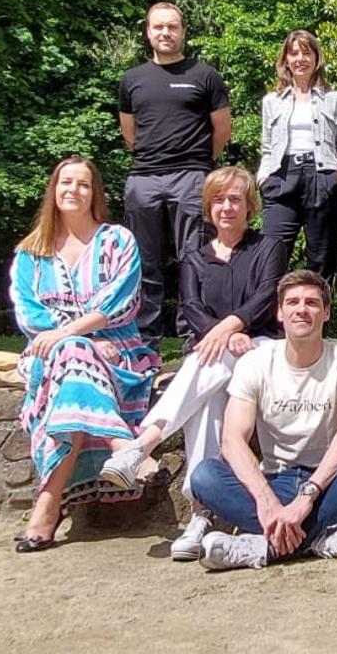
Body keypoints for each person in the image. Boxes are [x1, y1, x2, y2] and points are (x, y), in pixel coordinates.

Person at [98, 166, 286, 561]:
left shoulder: (268, 246)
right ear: (208, 208)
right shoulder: (194, 257)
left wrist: (233, 328)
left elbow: (268, 294)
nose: (227, 207)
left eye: (235, 199)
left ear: (249, 206)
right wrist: (220, 335)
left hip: (261, 346)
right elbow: (192, 307)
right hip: (215, 354)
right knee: (207, 403)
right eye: (219, 199)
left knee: (209, 360)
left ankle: (142, 445)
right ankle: (201, 514)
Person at [8, 157, 161, 553]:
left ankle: (47, 505)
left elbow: (120, 302)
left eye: (83, 184)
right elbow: (29, 314)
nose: (73, 190)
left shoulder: (118, 241)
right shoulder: (30, 254)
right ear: (53, 191)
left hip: (118, 351)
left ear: (95, 194)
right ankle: (125, 448)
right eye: (65, 183)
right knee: (74, 354)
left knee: (74, 359)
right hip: (51, 354)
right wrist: (82, 339)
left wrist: (72, 333)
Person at [188, 270, 337, 570]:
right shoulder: (255, 362)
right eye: (292, 302)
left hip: (329, 483)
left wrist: (306, 499)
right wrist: (267, 501)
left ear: (326, 312)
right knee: (204, 476)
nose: (301, 309)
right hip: (274, 480)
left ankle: (261, 547)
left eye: (312, 303)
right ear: (279, 313)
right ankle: (318, 540)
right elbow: (232, 440)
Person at [119, 1, 232, 349]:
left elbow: (222, 131)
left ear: (183, 32)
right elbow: (129, 134)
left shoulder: (205, 75)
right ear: (148, 32)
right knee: (143, 262)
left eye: (172, 26)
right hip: (144, 179)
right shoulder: (132, 79)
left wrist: (198, 163)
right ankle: (144, 342)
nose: (165, 33)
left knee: (194, 259)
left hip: (192, 177)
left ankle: (192, 337)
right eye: (158, 27)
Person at [256, 30, 337, 281]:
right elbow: (267, 146)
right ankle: (269, 319)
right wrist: (263, 177)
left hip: (322, 177)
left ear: (316, 58)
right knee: (270, 255)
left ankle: (318, 317)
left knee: (322, 260)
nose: (300, 58)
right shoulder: (272, 101)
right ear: (286, 60)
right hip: (281, 176)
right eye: (294, 53)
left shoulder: (336, 100)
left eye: (306, 52)